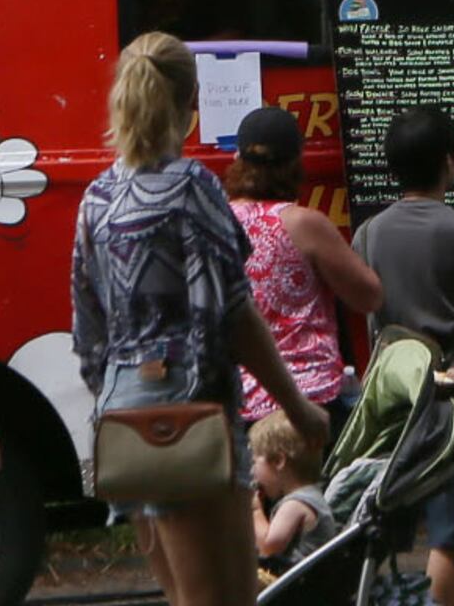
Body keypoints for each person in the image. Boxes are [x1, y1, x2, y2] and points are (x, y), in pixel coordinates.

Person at [72, 32, 332, 606]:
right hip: (193, 414)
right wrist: (295, 405)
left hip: (126, 419)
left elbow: (88, 328)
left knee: (182, 591)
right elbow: (233, 312)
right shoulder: (191, 187)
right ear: (191, 104)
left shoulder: (96, 196)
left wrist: (120, 395)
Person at [356, 105, 454, 606]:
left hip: (393, 395)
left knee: (383, 522)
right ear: (450, 162)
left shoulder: (369, 234)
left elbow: (367, 311)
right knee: (449, 535)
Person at [228, 104, 376, 425]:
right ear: (297, 162)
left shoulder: (217, 223)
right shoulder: (305, 224)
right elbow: (369, 297)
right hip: (310, 403)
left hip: (237, 406)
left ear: (237, 160)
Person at [250, 411, 331, 574]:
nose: (252, 471)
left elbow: (268, 547)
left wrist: (256, 510)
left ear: (279, 461)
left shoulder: (295, 504)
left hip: (294, 589)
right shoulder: (311, 495)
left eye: (254, 462)